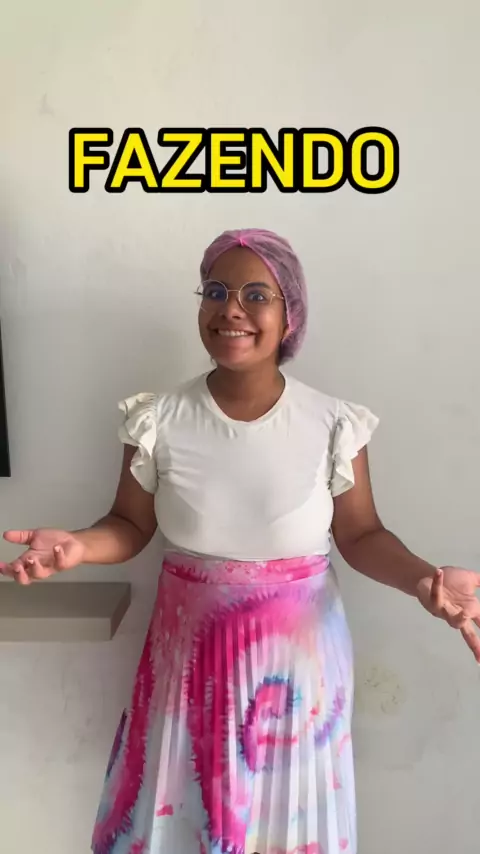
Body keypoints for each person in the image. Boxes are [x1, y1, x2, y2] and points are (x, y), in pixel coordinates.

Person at [2, 228, 479, 854]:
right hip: (186, 668)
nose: (231, 309)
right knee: (187, 821)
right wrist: (78, 547)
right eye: (216, 291)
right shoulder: (156, 419)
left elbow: (362, 535)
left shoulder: (334, 424)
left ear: (290, 315)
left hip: (300, 681)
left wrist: (424, 581)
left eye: (256, 295)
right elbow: (130, 524)